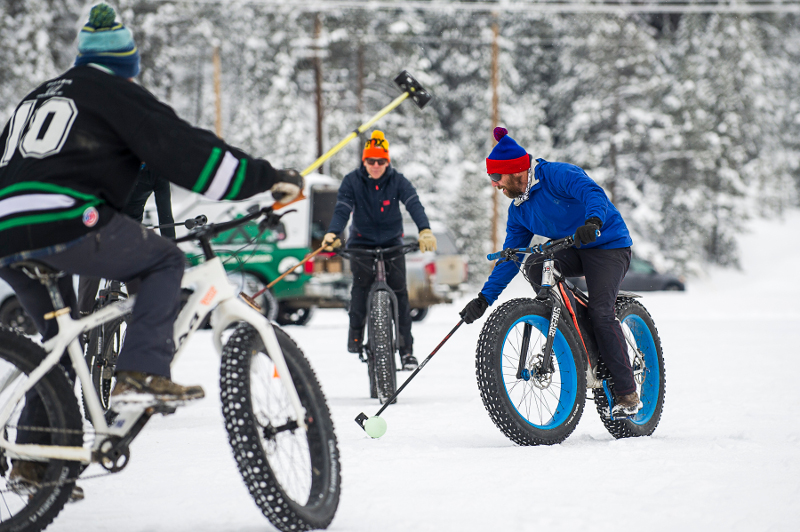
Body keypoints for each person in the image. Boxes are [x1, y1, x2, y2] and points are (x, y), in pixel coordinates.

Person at [0, 3, 302, 495]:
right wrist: (267, 180)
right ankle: (139, 373)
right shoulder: (114, 93)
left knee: (58, 347)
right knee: (165, 259)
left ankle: (35, 468)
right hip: (65, 218)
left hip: (7, 231)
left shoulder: (35, 100)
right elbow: (187, 150)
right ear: (128, 65)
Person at [459, 127, 641, 418]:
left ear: (516, 171)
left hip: (607, 245)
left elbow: (592, 192)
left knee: (601, 311)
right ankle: (568, 322)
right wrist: (483, 299)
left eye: (497, 178)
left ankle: (627, 393)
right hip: (571, 248)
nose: (494, 185)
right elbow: (511, 258)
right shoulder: (519, 211)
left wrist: (593, 221)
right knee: (532, 263)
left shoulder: (556, 175)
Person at [321, 130, 437, 371]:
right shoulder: (352, 181)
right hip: (361, 242)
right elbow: (342, 208)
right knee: (360, 289)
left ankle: (406, 351)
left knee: (400, 293)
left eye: (380, 161)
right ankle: (355, 337)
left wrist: (424, 229)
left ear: (388, 161)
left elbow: (413, 202)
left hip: (392, 241)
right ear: (364, 161)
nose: (375, 166)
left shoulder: (398, 181)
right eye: (371, 161)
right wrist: (333, 233)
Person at [77, 162, 175, 314]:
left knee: (138, 279)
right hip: (102, 226)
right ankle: (83, 319)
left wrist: (171, 248)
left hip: (130, 234)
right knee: (92, 264)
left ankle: (139, 320)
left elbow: (166, 216)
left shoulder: (157, 173)